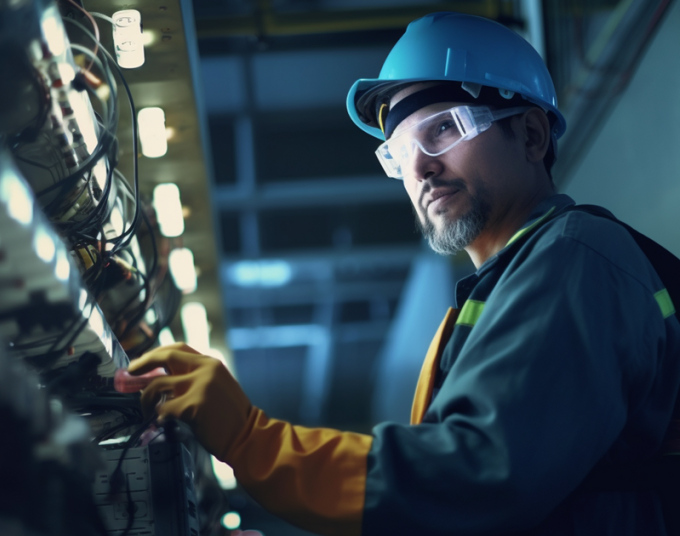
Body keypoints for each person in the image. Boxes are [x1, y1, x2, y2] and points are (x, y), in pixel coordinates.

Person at [129, 12, 680, 536]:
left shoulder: (575, 259)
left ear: (533, 135)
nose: (420, 168)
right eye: (397, 153)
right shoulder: (485, 303)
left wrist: (252, 440)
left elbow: (475, 476)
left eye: (444, 129)